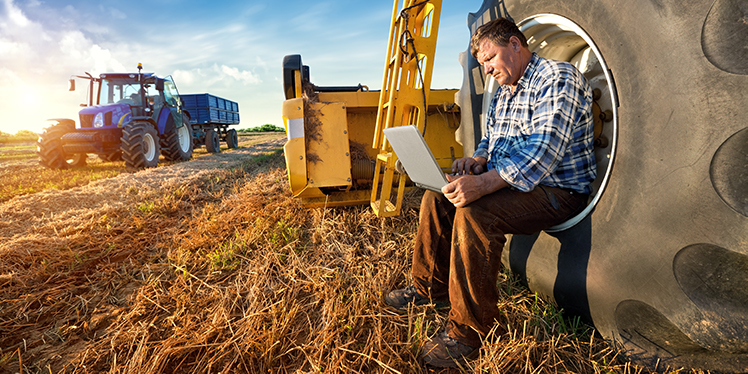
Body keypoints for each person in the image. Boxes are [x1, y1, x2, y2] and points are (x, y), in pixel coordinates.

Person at [385, 18, 597, 368]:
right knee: (437, 198)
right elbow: (492, 137)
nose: (486, 70)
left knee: (474, 212)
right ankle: (428, 290)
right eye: (481, 64)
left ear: (515, 44)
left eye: (490, 59)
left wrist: (483, 184)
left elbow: (543, 151)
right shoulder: (505, 90)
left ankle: (470, 332)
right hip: (516, 183)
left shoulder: (557, 78)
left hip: (556, 189)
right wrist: (479, 160)